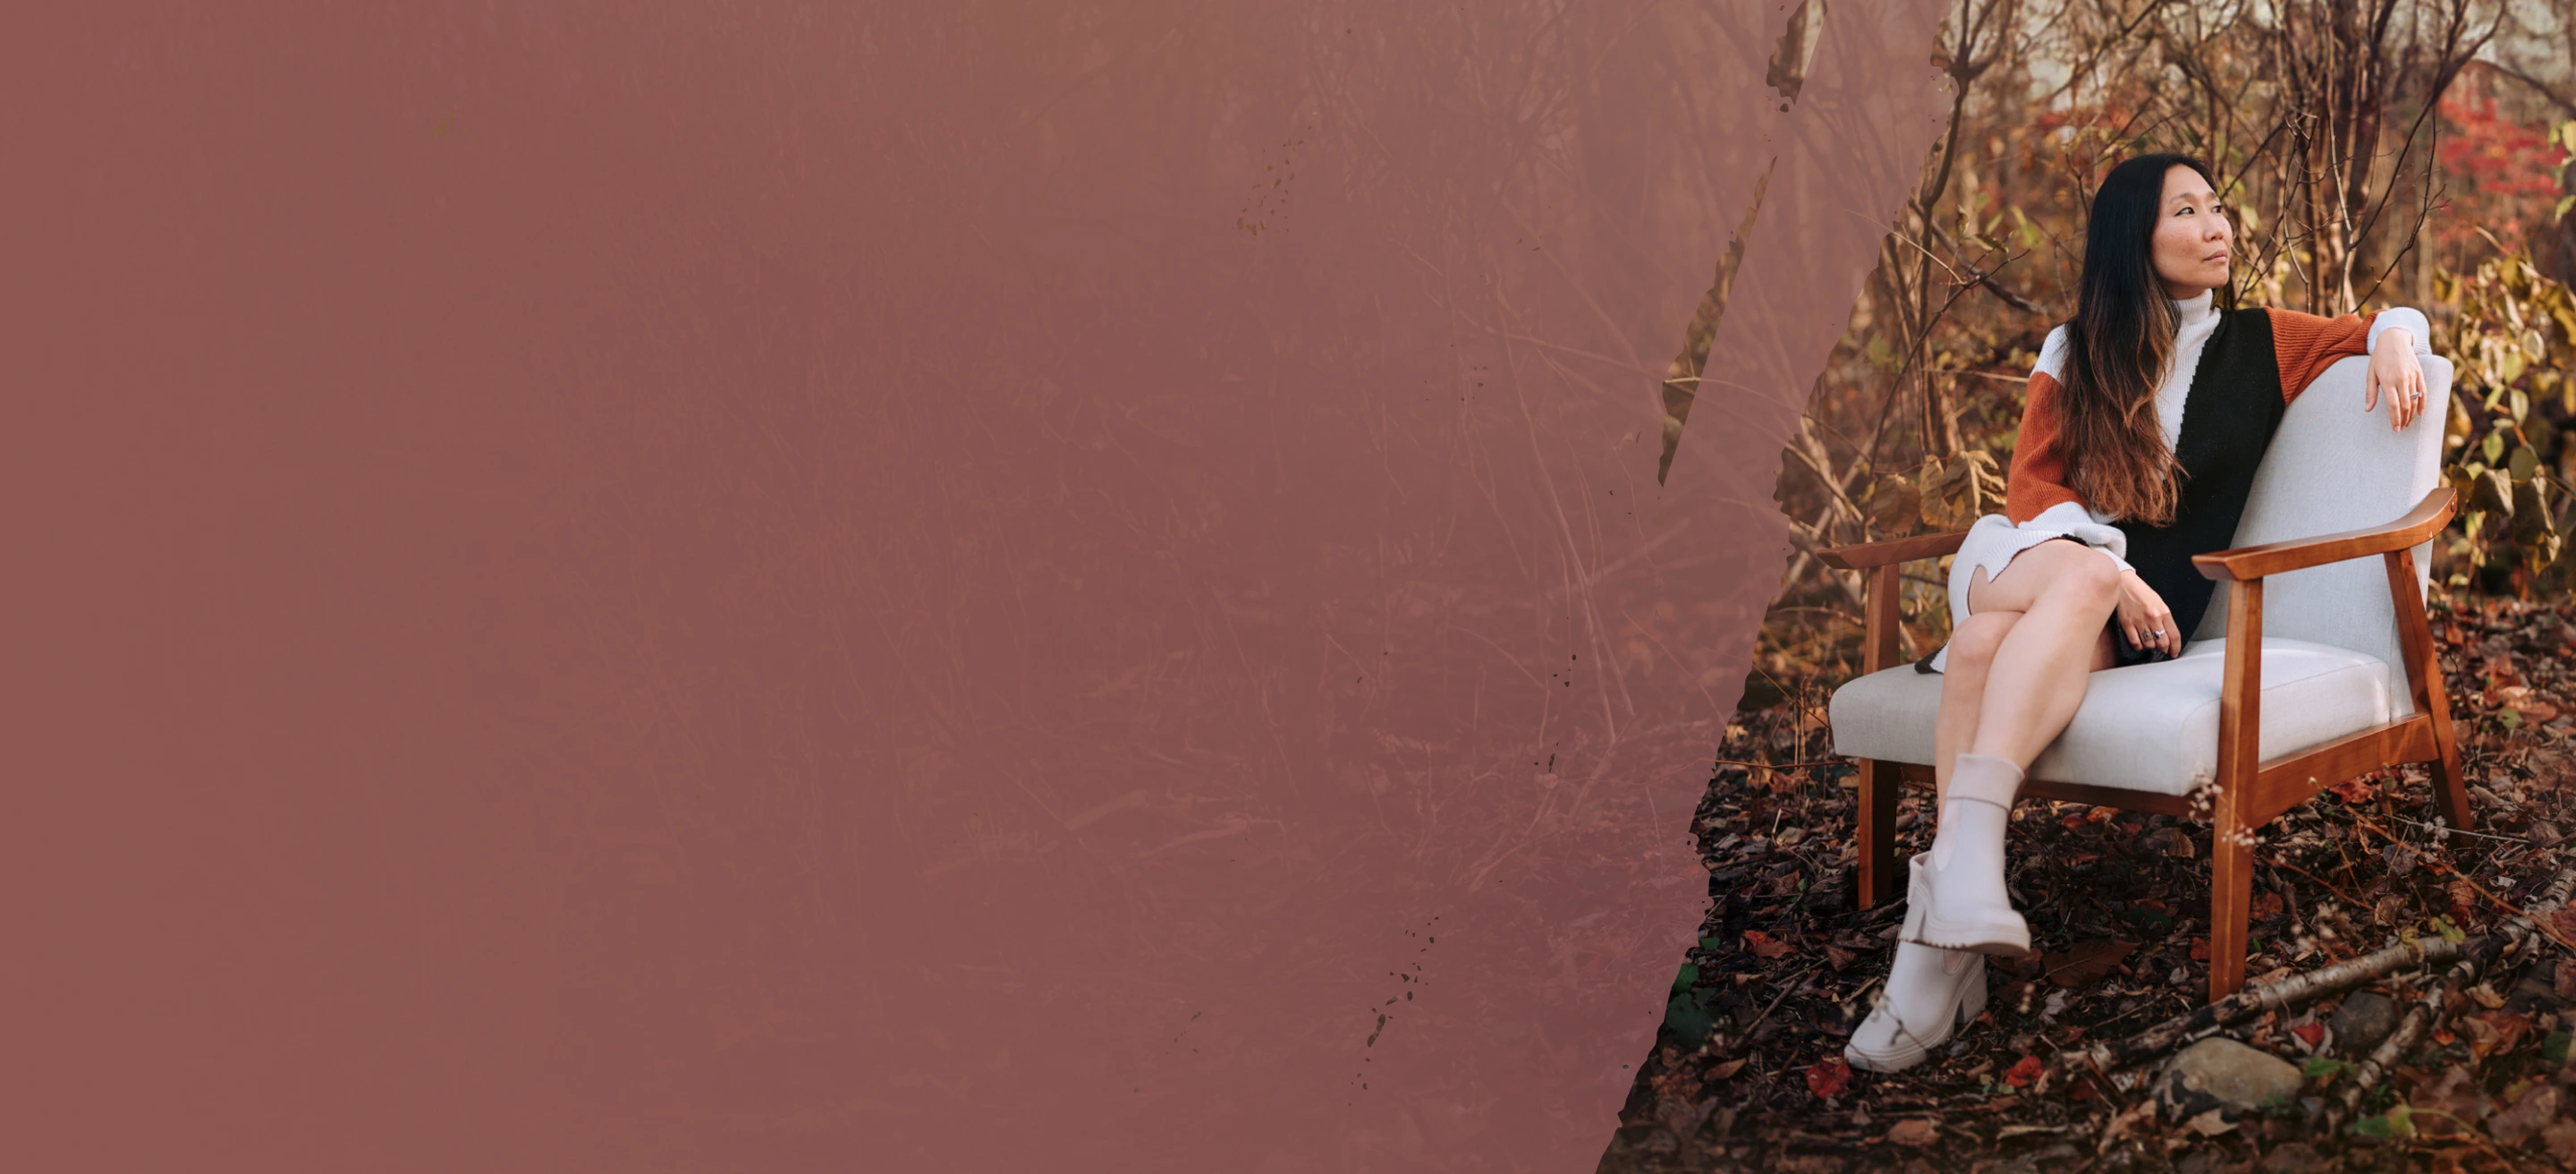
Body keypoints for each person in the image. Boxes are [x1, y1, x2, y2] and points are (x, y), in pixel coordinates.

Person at [1841, 153, 2435, 1074]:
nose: (2216, 226)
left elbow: (2376, 325)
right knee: (2072, 579)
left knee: (1981, 653)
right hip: (2019, 564)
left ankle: (1937, 951)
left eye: (2217, 207)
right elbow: (2031, 495)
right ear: (2136, 239)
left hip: (2091, 627)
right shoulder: (2075, 348)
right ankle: (1952, 914)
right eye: (2186, 211)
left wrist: (2398, 332)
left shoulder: (2261, 340)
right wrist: (2108, 572)